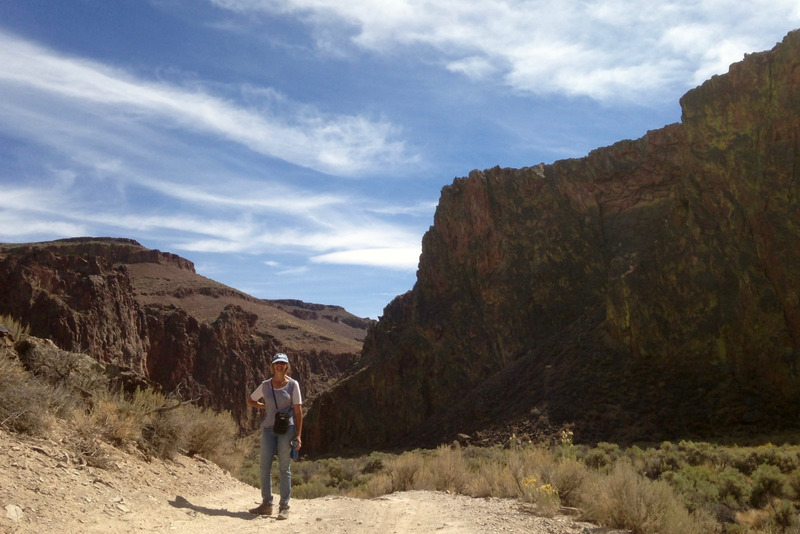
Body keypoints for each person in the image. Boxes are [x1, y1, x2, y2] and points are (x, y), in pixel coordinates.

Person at [247, 352, 303, 519]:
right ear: (273, 366)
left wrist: (298, 435)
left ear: (286, 366)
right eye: (276, 363)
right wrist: (266, 407)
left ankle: (284, 507)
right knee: (264, 467)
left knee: (284, 467)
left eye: (282, 363)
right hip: (269, 429)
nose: (279, 365)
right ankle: (266, 504)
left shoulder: (293, 385)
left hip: (287, 429)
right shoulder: (265, 385)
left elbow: (298, 411)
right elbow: (250, 400)